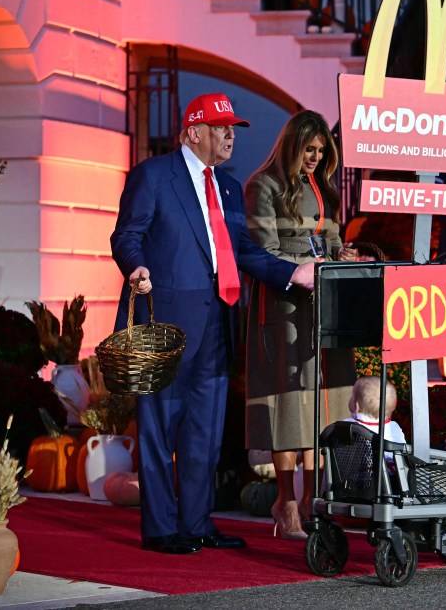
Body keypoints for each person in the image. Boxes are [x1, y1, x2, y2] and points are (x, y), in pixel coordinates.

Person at [110, 92, 315, 555]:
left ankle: (198, 523)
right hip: (165, 320)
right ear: (192, 132)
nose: (229, 135)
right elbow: (127, 234)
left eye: (233, 128)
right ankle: (162, 529)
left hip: (219, 321)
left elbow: (243, 251)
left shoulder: (226, 186)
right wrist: (136, 266)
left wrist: (292, 273)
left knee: (205, 427)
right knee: (161, 425)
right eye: (220, 126)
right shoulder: (154, 175)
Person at [243, 109, 357, 541]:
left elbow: (331, 240)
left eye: (320, 151)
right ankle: (285, 499)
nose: (314, 158)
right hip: (283, 307)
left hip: (322, 306)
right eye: (308, 150)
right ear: (292, 144)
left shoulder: (323, 188)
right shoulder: (263, 185)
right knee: (287, 403)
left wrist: (342, 256)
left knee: (321, 401)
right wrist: (305, 267)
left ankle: (314, 497)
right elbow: (262, 252)